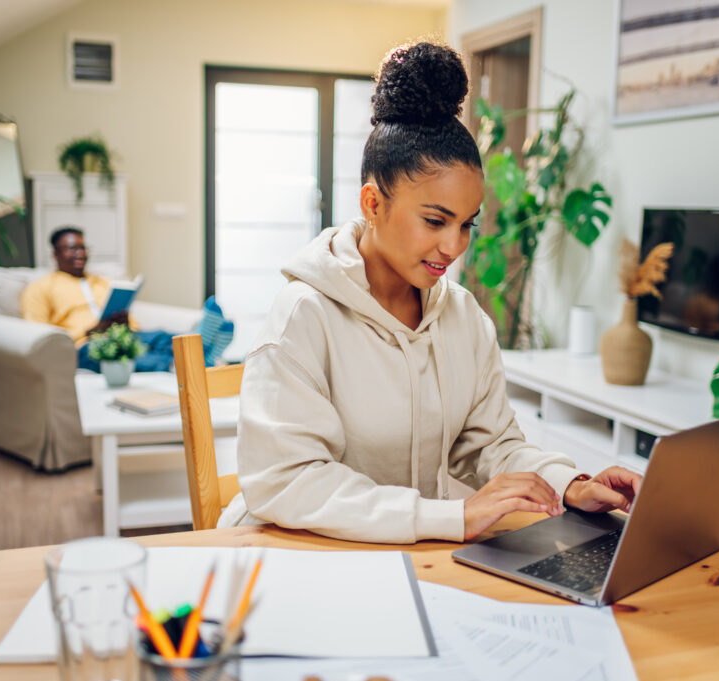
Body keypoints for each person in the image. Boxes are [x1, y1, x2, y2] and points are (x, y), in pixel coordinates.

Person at [217, 42, 641, 544]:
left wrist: (570, 484)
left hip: (411, 556)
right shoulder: (304, 317)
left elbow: (490, 444)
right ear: (373, 203)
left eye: (466, 225)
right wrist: (449, 519)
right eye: (435, 221)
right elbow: (287, 481)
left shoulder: (462, 317)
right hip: (296, 555)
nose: (454, 246)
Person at [20, 226, 175, 372]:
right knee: (112, 356)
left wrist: (125, 323)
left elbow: (129, 321)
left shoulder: (104, 282)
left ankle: (178, 364)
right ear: (55, 254)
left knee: (165, 338)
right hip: (84, 345)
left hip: (122, 337)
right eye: (72, 248)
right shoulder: (40, 287)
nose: (80, 253)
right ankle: (172, 366)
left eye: (83, 248)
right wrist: (90, 332)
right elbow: (36, 332)